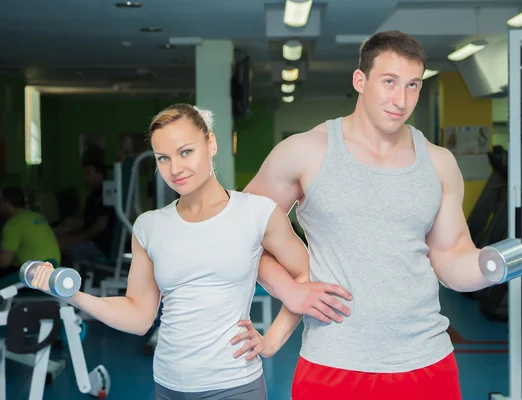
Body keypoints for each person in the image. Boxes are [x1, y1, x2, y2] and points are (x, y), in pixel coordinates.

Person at [242, 30, 522, 399]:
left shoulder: (439, 162)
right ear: (360, 80)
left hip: (427, 362)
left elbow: (452, 259)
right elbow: (242, 232)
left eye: (413, 85)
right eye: (389, 82)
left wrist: (514, 258)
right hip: (334, 364)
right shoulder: (305, 152)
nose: (401, 99)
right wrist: (291, 291)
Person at [27, 103, 352, 400]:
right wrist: (72, 295)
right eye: (163, 158)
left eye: (186, 152)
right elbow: (139, 316)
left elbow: (305, 274)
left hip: (234, 384)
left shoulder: (257, 212)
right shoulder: (149, 226)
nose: (175, 168)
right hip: (169, 384)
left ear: (211, 144)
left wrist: (271, 342)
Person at [57, 158, 116, 264]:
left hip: (101, 247)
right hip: (90, 241)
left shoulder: (106, 195)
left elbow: (101, 225)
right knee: (57, 239)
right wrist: (69, 232)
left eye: (88, 173)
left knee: (64, 247)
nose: (85, 177)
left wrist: (79, 239)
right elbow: (87, 223)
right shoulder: (93, 196)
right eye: (85, 173)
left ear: (100, 175)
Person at [0, 186, 61, 277]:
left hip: (33, 275)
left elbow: (3, 262)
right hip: (54, 270)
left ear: (7, 203)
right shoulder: (37, 216)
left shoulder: (14, 223)